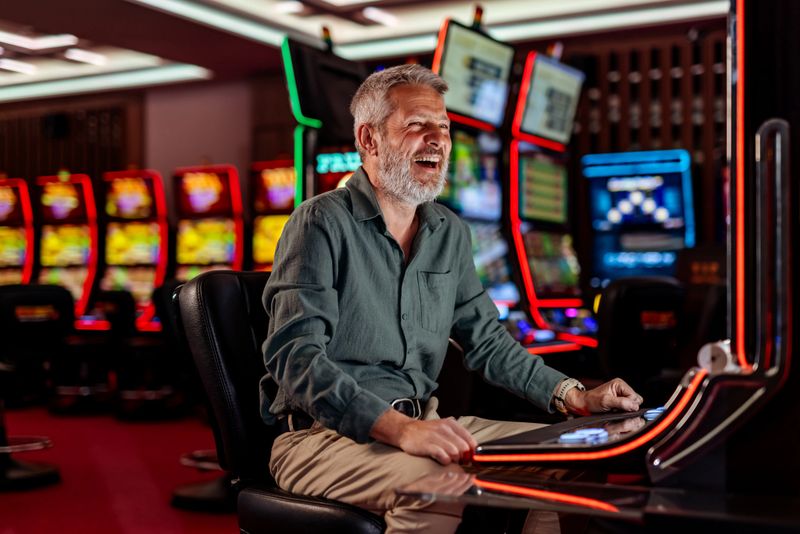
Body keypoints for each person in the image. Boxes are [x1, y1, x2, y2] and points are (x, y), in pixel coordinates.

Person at [261, 64, 643, 533]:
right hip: (323, 439)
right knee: (439, 484)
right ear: (369, 139)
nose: (437, 140)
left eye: (442, 127)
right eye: (417, 125)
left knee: (573, 451)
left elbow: (488, 340)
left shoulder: (449, 231)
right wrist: (400, 429)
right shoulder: (320, 222)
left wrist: (575, 396)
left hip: (425, 421)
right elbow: (295, 358)